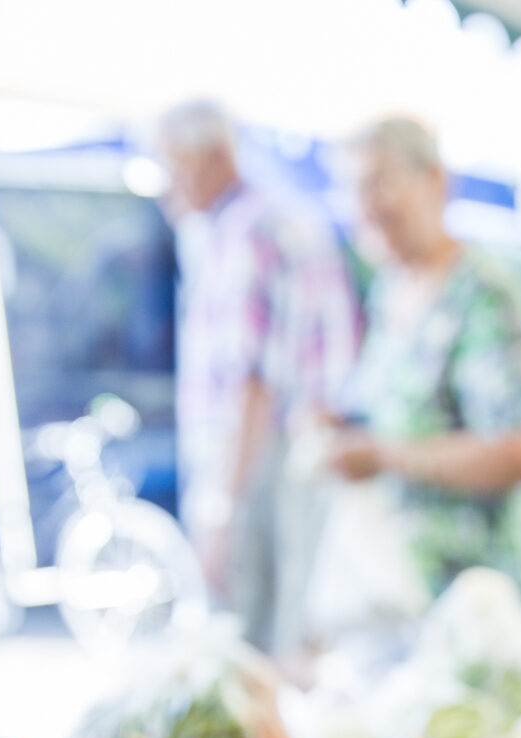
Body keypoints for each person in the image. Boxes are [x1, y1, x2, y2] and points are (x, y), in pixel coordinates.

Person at [328, 116, 521, 624]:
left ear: (434, 181)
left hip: (490, 606)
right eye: (353, 190)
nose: (365, 207)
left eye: (380, 184)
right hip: (409, 595)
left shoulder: (482, 293)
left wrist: (384, 456)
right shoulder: (388, 290)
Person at [156, 99, 358, 652]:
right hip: (292, 452)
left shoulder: (249, 231)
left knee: (244, 642)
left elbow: (253, 382)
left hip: (262, 459)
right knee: (283, 631)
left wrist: (223, 508)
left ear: (213, 156)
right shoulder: (273, 218)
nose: (166, 184)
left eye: (173, 164)